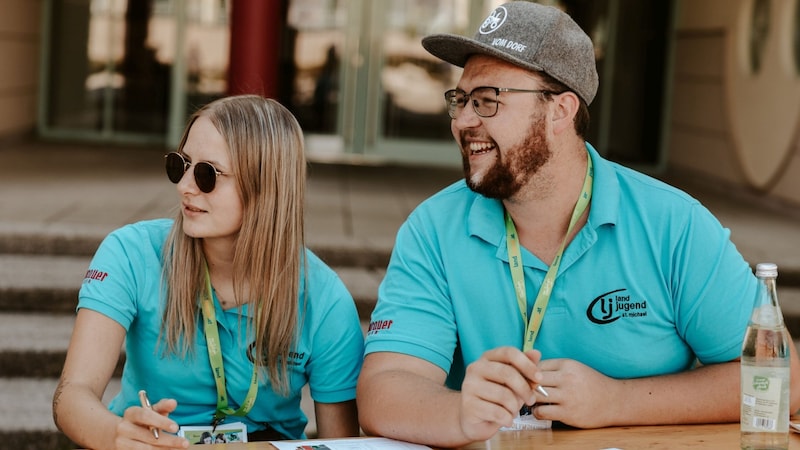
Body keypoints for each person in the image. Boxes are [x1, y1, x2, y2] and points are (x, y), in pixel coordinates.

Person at [356, 2, 800, 447]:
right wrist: (460, 413)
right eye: (461, 101)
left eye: (488, 101)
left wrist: (616, 401)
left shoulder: (673, 224)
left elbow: (781, 381)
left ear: (561, 111)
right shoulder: (433, 229)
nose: (465, 121)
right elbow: (385, 389)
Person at [52, 95, 364, 449]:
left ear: (265, 187)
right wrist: (115, 435)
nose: (185, 185)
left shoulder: (325, 298)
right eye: (180, 164)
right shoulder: (130, 252)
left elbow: (343, 444)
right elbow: (71, 395)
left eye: (207, 174)